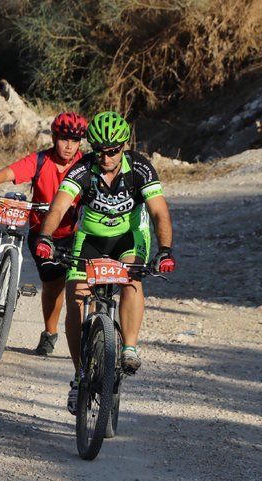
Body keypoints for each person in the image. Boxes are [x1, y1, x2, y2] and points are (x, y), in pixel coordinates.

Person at [34, 111, 176, 413]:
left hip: (129, 237)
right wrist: (46, 237)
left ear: (123, 147)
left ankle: (129, 348)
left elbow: (159, 213)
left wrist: (165, 249)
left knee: (132, 280)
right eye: (100, 150)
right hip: (91, 239)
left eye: (112, 150)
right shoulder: (83, 168)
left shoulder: (140, 168)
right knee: (76, 297)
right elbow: (59, 207)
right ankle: (79, 376)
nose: (106, 156)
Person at [0, 112, 88, 356]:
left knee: (80, 287)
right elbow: (10, 172)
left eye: (75, 141)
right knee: (52, 285)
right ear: (54, 137)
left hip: (73, 232)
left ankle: (89, 335)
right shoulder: (40, 160)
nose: (69, 146)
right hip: (42, 231)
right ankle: (50, 333)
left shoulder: (85, 164)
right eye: (64, 139)